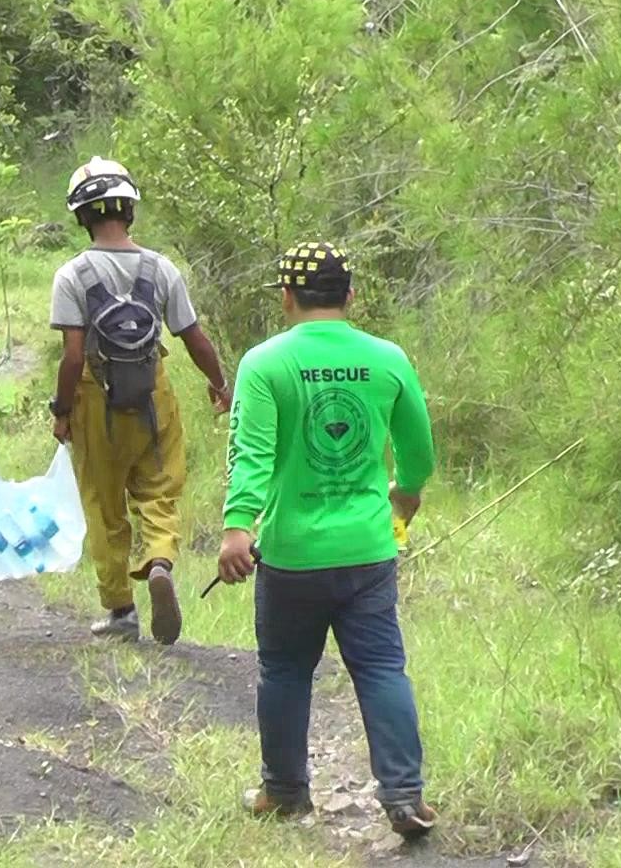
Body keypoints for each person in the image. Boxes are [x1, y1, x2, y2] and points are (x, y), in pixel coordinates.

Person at [215, 241, 437, 837]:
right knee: (383, 667)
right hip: (368, 550)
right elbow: (418, 449)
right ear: (350, 296)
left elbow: (252, 455)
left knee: (285, 671)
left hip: (291, 556)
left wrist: (238, 527)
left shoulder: (264, 363)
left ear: (286, 297)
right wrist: (406, 493)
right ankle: (404, 795)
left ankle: (285, 792)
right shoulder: (387, 357)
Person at [48, 157, 230, 646]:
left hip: (94, 398)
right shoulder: (161, 268)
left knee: (104, 507)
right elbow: (193, 336)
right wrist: (219, 383)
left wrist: (62, 411)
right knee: (160, 488)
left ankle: (121, 612)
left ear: (81, 216)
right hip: (154, 393)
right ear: (130, 210)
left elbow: (71, 356)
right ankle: (160, 562)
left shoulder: (72, 275)